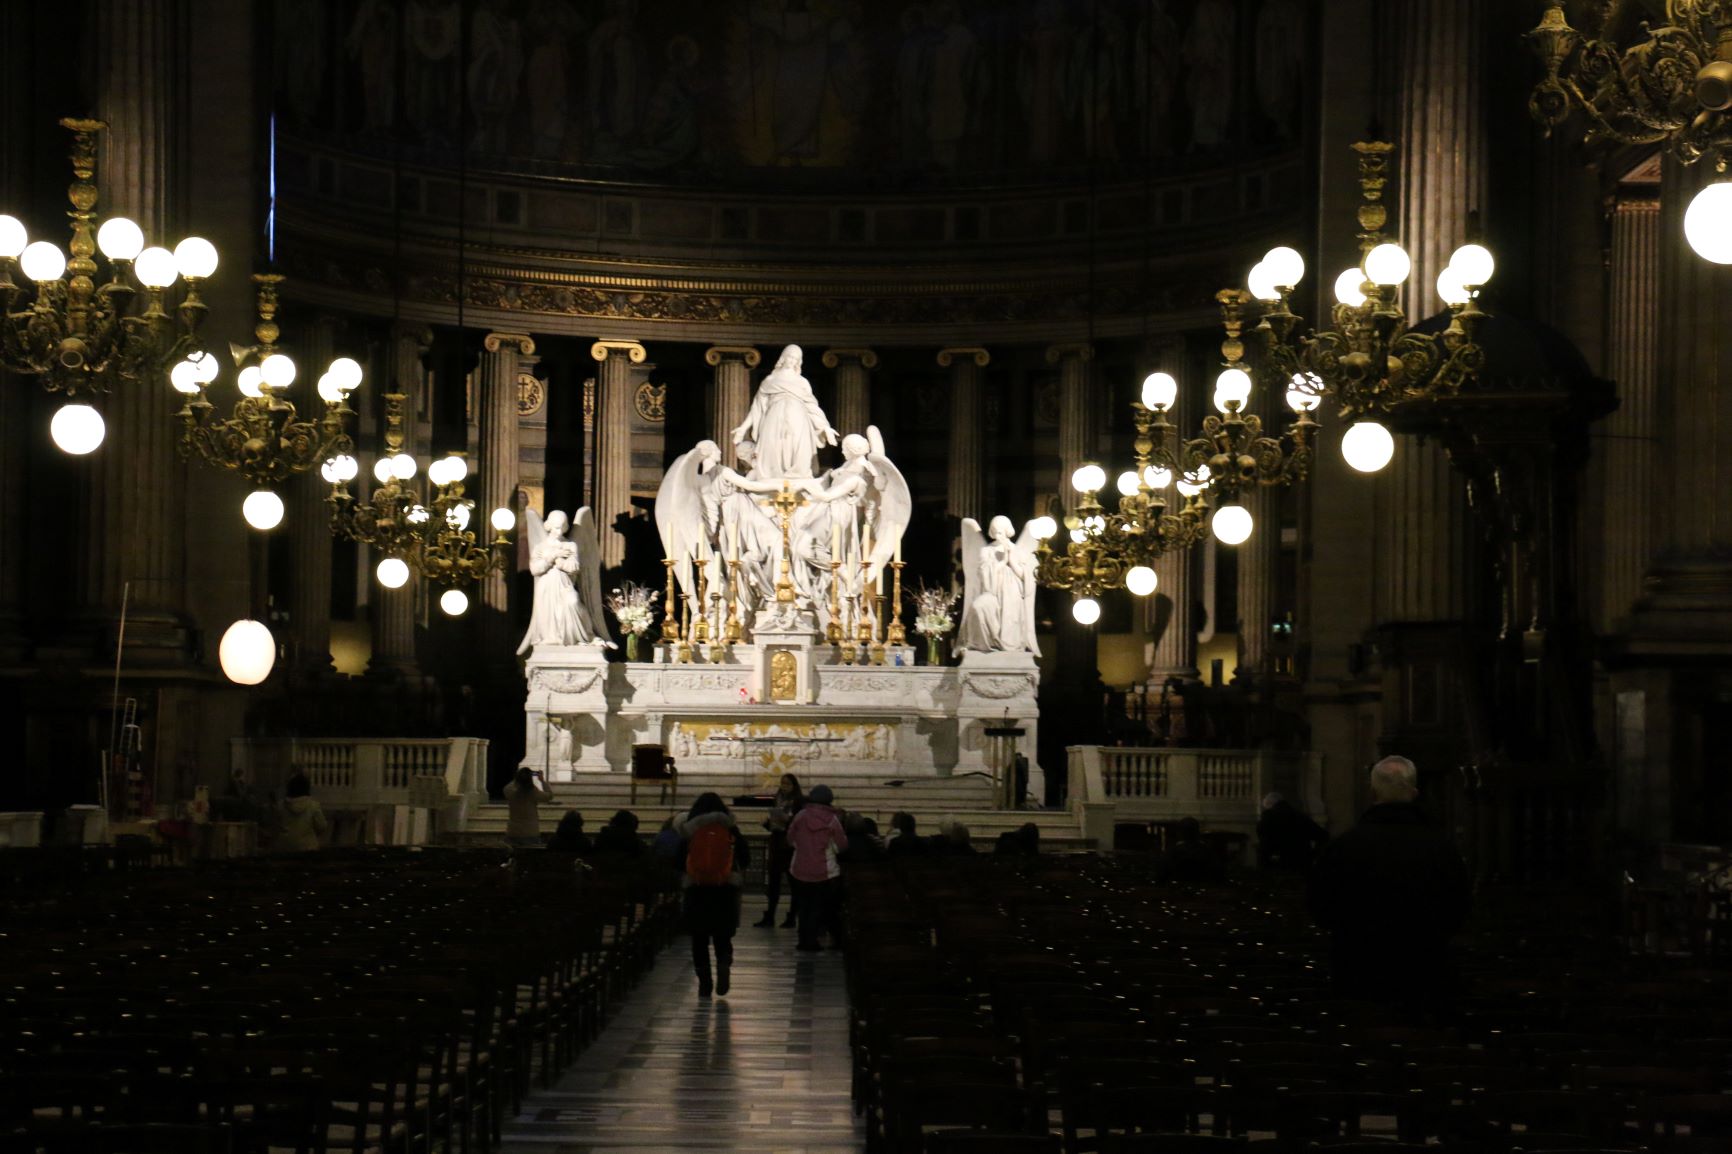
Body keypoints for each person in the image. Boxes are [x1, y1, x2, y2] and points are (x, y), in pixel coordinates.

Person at [1307, 756, 1472, 1010]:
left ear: (1372, 792)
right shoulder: (1442, 848)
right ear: (1415, 793)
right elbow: (1459, 909)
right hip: (1425, 972)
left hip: (1358, 970)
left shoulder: (1344, 847)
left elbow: (1320, 909)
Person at [677, 792, 750, 998]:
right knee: (722, 934)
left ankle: (704, 983)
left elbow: (677, 860)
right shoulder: (730, 829)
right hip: (724, 889)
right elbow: (745, 857)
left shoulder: (691, 830)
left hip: (696, 889)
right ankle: (724, 962)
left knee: (699, 939)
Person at [787, 783, 848, 951]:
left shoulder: (801, 816)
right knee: (819, 906)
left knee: (803, 906)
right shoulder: (832, 819)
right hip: (825, 870)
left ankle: (803, 940)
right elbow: (841, 844)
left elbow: (790, 839)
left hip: (800, 867)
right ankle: (813, 940)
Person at [754, 774, 803, 928]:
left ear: (794, 785)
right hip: (777, 841)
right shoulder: (778, 799)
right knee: (773, 883)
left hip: (790, 844)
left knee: (794, 884)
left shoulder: (799, 802)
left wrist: (788, 821)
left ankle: (791, 917)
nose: (784, 786)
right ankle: (770, 915)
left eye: (787, 783)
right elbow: (774, 824)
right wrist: (767, 824)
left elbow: (799, 823)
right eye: (782, 783)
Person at [1256, 791, 1328, 873]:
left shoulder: (1269, 817)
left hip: (1278, 865)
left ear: (1269, 805)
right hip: (1302, 864)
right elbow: (1323, 836)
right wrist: (1312, 854)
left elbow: (1264, 843)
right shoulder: (1300, 816)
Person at [1159, 817, 1225, 883]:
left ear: (1179, 833)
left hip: (1176, 890)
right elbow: (1218, 874)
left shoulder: (1170, 853)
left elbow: (1161, 875)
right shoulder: (1207, 852)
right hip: (1204, 889)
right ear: (1198, 833)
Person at [503, 766, 554, 848]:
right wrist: (542, 781)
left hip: (513, 830)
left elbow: (507, 787)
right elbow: (549, 795)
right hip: (530, 831)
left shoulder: (510, 791)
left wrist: (518, 778)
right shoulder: (533, 792)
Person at [276, 773, 328, 853]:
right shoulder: (313, 806)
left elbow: (275, 826)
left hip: (285, 848)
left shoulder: (281, 806)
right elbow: (322, 826)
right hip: (308, 847)